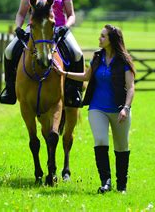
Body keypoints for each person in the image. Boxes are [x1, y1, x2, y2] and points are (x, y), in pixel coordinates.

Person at [53, 24, 136, 194]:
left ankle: (121, 186)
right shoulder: (97, 57)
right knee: (100, 141)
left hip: (120, 109)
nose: (99, 38)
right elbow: (86, 76)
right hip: (97, 107)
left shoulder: (124, 61)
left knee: (121, 146)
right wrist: (63, 73)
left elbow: (131, 86)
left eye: (103, 36)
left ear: (111, 40)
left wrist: (126, 108)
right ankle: (105, 182)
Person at [0, 0, 84, 107]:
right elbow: (21, 13)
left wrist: (66, 27)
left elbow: (71, 14)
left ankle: (75, 92)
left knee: (77, 54)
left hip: (58, 29)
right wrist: (18, 28)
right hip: (35, 29)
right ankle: (10, 89)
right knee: (9, 51)